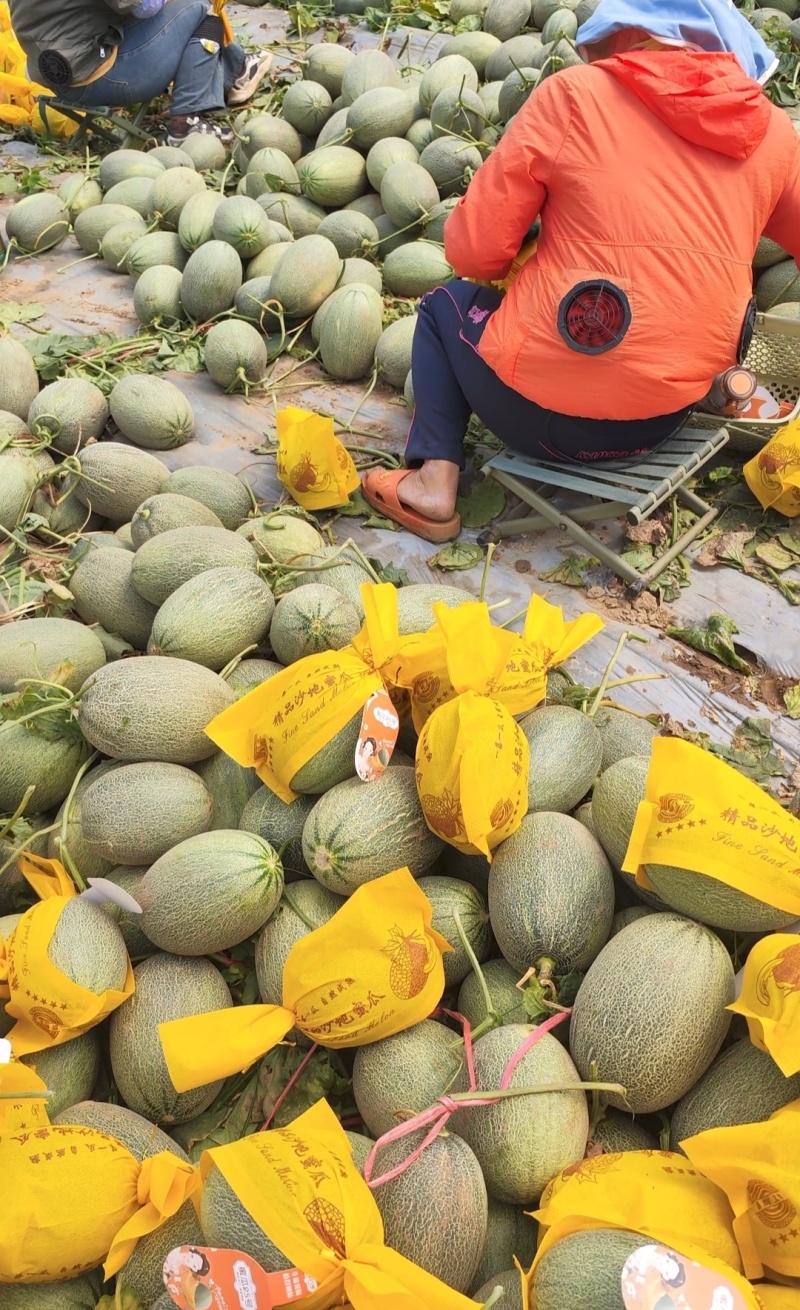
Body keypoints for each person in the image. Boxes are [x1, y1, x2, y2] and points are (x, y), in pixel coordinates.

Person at [361, 0, 800, 542]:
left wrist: (523, 259)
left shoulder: (573, 95)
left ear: (630, 33)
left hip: (541, 422)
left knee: (442, 306)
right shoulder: (775, 133)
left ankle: (433, 483)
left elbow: (474, 254)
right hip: (667, 422)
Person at [8, 0, 272, 145]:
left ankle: (238, 69)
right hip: (102, 76)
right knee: (202, 6)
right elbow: (147, 6)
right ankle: (186, 124)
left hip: (58, 74)